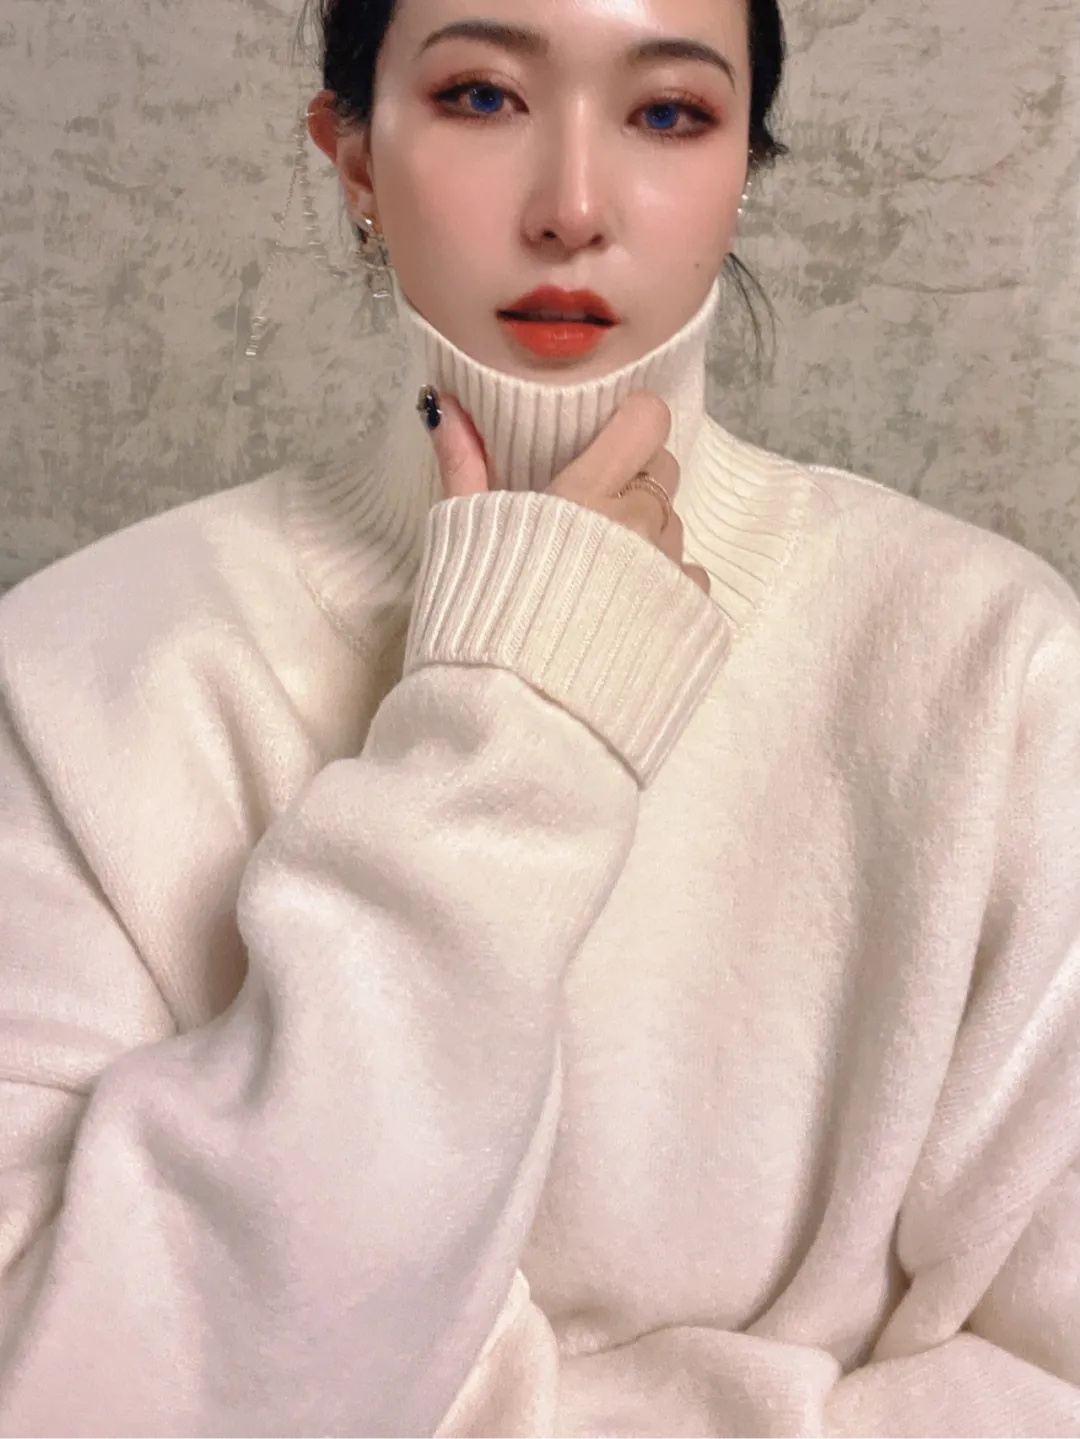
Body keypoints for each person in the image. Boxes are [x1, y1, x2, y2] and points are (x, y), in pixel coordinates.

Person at [0, 0, 1077, 1433]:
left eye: (670, 114)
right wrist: (520, 721)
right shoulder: (74, 674)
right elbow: (76, 1390)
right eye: (483, 96)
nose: (572, 206)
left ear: (742, 172)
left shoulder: (997, 669)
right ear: (353, 157)